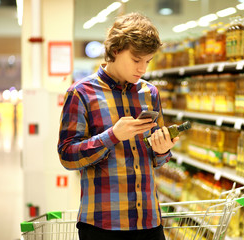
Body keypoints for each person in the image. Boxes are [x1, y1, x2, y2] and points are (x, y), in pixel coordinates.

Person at [57, 12, 179, 240]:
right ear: (115, 50)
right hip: (102, 226)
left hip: (150, 223)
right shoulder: (81, 93)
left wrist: (162, 150)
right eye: (136, 60)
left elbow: (157, 159)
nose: (143, 69)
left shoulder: (150, 93)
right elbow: (67, 156)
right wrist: (111, 136)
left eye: (147, 61)